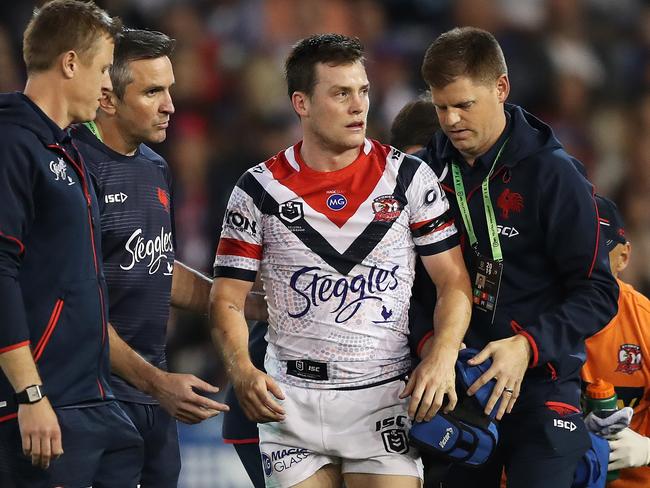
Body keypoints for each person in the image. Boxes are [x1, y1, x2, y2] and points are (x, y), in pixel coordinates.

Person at [210, 33, 472, 488]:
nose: (359, 106)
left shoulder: (409, 178)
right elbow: (226, 300)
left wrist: (443, 355)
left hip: (384, 398)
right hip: (289, 402)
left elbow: (453, 281)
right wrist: (243, 371)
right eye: (341, 93)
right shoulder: (257, 190)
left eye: (363, 91)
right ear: (302, 103)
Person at [412, 27, 619, 488]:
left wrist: (525, 347)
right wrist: (432, 347)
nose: (451, 120)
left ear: (500, 88)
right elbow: (408, 282)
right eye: (441, 106)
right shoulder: (427, 172)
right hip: (456, 385)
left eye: (464, 104)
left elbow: (599, 293)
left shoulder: (555, 175)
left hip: (540, 383)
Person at [69, 28, 238, 487]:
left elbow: (155, 267)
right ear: (107, 98)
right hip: (91, 398)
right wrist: (154, 382)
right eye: (152, 92)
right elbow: (74, 304)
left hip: (153, 397)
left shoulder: (153, 165)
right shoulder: (71, 169)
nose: (170, 106)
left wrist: (235, 300)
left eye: (170, 89)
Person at [0, 2, 145, 487]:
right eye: (104, 68)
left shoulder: (66, 151)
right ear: (69, 63)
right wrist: (29, 394)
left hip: (95, 400)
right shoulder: (12, 145)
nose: (109, 85)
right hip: (46, 406)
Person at [582, 195, 650, 488]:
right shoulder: (527, 320)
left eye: (593, 257)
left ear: (623, 257)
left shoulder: (645, 324)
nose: (581, 269)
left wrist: (648, 449)